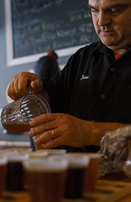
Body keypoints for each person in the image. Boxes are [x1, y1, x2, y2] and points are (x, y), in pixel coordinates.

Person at [7, 0, 131, 152]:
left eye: (115, 10)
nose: (101, 21)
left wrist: (90, 132)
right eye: (95, 10)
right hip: (72, 173)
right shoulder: (83, 57)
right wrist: (34, 88)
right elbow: (52, 97)